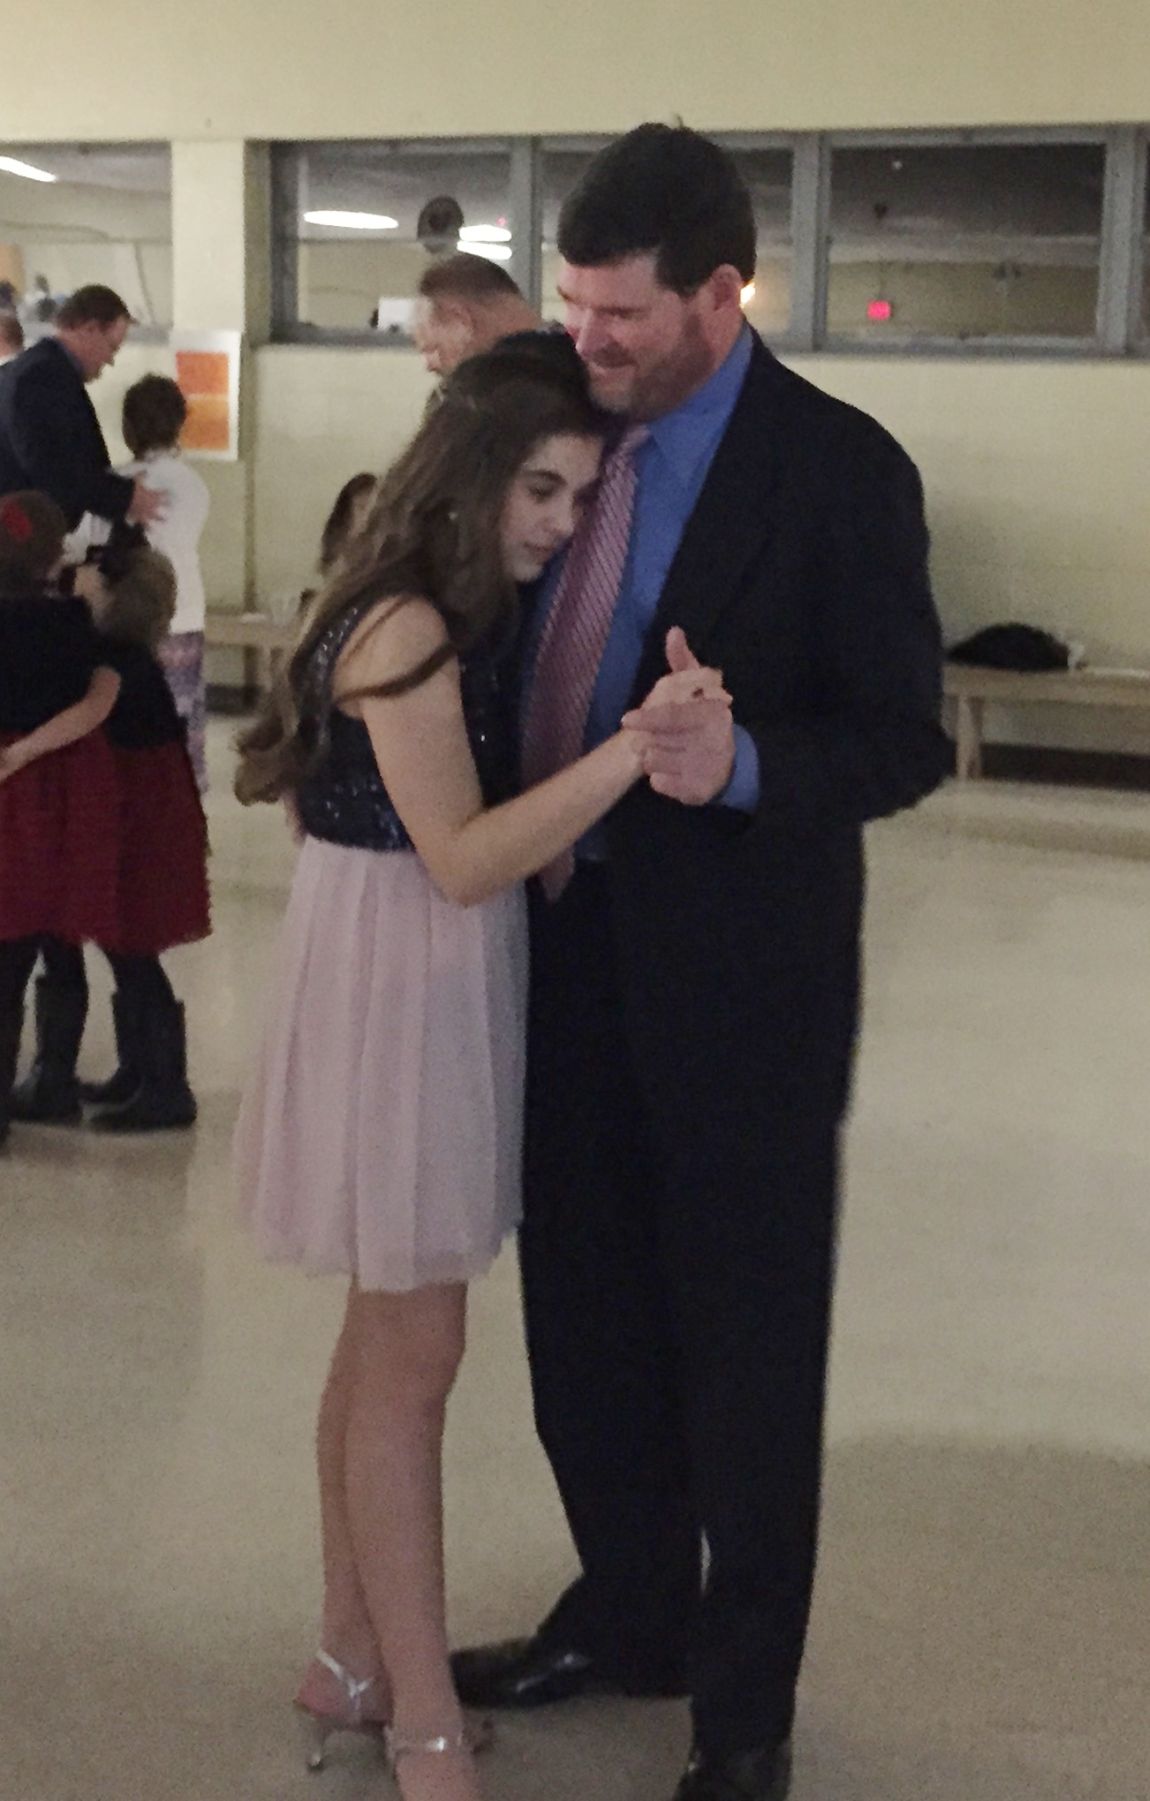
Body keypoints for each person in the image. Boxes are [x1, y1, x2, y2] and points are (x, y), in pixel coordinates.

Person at [449, 125, 952, 1801]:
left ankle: (742, 1712)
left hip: (745, 991)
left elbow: (900, 738)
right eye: (574, 305)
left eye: (622, 316)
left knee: (744, 1347)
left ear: (723, 295)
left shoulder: (839, 471)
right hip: (555, 948)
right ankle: (630, 1611)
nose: (585, 340)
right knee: (584, 1319)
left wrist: (737, 765)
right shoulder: (554, 426)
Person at [232, 338, 725, 1801]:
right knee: (412, 1366)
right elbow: (459, 858)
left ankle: (352, 1654)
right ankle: (423, 1715)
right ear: (472, 474)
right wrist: (635, 750)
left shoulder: (430, 604)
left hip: (413, 977)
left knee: (380, 1348)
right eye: (541, 490)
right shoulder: (405, 626)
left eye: (579, 496)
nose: (561, 524)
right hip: (404, 989)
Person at [1, 530, 209, 1133]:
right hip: (138, 814)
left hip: (137, 822)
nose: (76, 576)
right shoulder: (125, 653)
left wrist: (22, 753)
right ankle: (138, 1070)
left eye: (91, 572)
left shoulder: (116, 661)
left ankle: (165, 1085)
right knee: (122, 947)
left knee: (131, 948)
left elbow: (86, 713)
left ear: (117, 593)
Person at [0, 285, 164, 530]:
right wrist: (124, 496)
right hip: (24, 532)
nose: (110, 360)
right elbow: (53, 467)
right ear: (90, 329)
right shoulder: (41, 377)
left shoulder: (39, 370)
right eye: (112, 347)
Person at [119, 374, 211, 789]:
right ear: (178, 424)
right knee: (180, 721)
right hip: (182, 610)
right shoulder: (192, 484)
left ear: (129, 425)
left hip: (124, 616)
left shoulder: (114, 482)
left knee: (131, 723)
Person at [411, 254, 542, 377]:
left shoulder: (518, 386)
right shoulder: (545, 370)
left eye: (433, 349)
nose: (429, 366)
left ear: (461, 322)